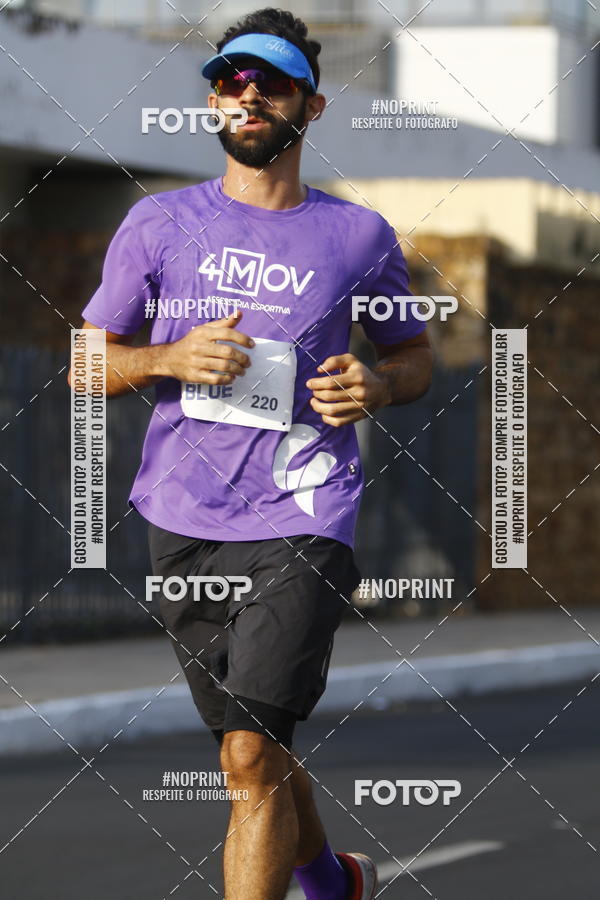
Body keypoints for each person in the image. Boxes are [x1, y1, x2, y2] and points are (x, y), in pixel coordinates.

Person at [71, 7, 433, 898]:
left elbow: (414, 357)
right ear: (213, 102)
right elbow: (85, 364)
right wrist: (165, 358)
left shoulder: (359, 236)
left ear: (311, 107)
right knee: (256, 749)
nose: (249, 95)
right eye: (232, 80)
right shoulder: (158, 222)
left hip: (305, 509)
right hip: (183, 518)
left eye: (272, 83)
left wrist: (379, 385)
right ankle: (333, 881)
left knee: (246, 754)